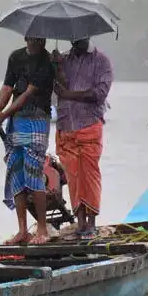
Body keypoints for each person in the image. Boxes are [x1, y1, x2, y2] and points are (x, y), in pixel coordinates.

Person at [0, 36, 55, 245]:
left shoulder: (46, 61)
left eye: (42, 38)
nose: (39, 41)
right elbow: (7, 88)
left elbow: (27, 94)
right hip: (17, 122)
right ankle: (22, 230)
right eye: (35, 37)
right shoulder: (16, 57)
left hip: (36, 120)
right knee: (15, 171)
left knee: (34, 172)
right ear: (26, 37)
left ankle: (42, 229)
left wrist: (4, 114)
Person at [53, 38, 113, 238]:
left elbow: (100, 94)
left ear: (88, 35)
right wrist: (57, 68)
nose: (76, 40)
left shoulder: (101, 61)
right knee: (73, 176)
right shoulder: (64, 60)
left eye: (80, 36)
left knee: (89, 174)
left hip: (89, 124)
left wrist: (69, 94)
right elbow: (57, 90)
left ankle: (91, 224)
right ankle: (80, 224)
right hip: (65, 126)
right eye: (73, 37)